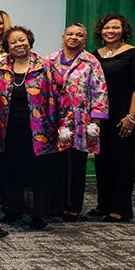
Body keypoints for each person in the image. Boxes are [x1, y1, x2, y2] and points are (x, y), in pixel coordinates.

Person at [0, 26, 68, 230]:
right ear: (8, 46)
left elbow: (63, 98)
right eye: (14, 42)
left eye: (22, 40)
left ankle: (40, 214)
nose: (19, 44)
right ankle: (13, 210)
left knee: (38, 174)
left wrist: (65, 126)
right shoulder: (1, 69)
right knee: (11, 172)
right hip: (6, 131)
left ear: (30, 41)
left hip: (39, 133)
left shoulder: (45, 67)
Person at [46, 23, 108, 221]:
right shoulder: (49, 60)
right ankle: (55, 204)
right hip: (54, 119)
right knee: (54, 163)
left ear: (85, 39)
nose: (74, 37)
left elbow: (100, 91)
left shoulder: (91, 62)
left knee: (76, 164)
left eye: (79, 35)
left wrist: (95, 123)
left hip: (81, 121)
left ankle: (73, 207)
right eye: (70, 34)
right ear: (63, 37)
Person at [92, 14, 135, 222]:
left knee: (123, 159)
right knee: (103, 160)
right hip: (101, 113)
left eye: (115, 27)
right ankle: (104, 204)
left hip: (124, 113)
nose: (110, 31)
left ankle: (121, 208)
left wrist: (131, 117)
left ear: (123, 30)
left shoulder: (133, 55)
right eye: (106, 28)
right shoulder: (95, 55)